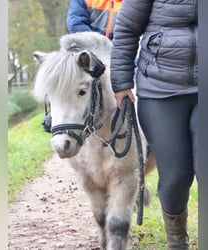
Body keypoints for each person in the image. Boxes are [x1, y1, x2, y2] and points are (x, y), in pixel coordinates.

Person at [110, 0, 198, 249]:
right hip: (160, 90)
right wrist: (121, 83)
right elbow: (126, 28)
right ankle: (177, 240)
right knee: (175, 177)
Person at [42, 0, 123, 132]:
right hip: (90, 51)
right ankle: (60, 117)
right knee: (69, 76)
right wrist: (98, 47)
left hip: (122, 51)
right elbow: (75, 22)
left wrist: (119, 50)